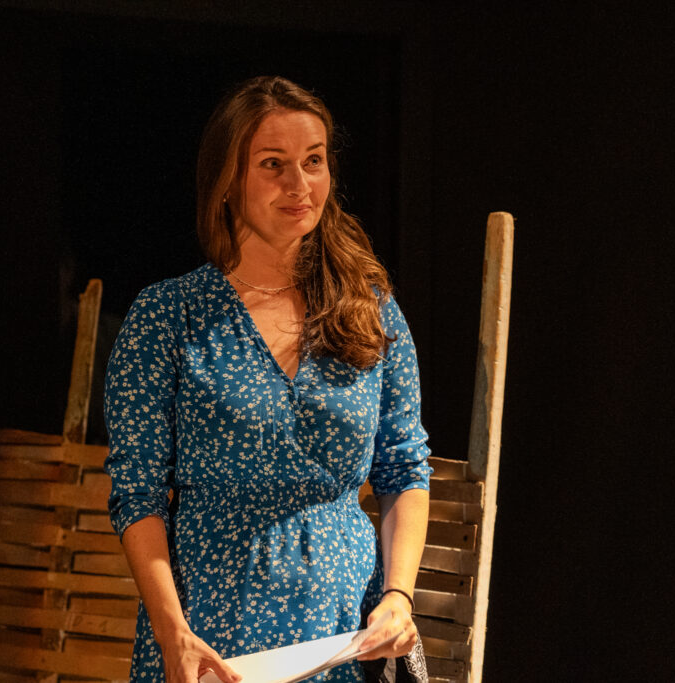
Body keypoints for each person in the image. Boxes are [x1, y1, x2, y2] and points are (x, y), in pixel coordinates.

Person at [104, 75, 431, 683]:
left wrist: (397, 597)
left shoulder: (369, 308)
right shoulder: (169, 316)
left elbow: (404, 468)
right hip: (212, 634)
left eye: (314, 161)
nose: (299, 185)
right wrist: (172, 631)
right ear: (228, 180)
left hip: (343, 635)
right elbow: (137, 492)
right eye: (273, 164)